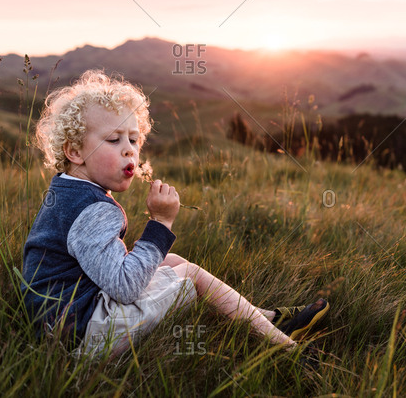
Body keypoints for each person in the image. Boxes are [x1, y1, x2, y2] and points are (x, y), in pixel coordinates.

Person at [20, 70, 329, 367]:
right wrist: (161, 223)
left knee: (170, 261)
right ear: (74, 150)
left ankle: (264, 320)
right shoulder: (94, 209)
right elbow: (125, 287)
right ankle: (285, 350)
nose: (130, 152)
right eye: (114, 141)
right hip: (84, 334)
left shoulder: (67, 190)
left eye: (134, 140)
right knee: (189, 276)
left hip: (59, 327)